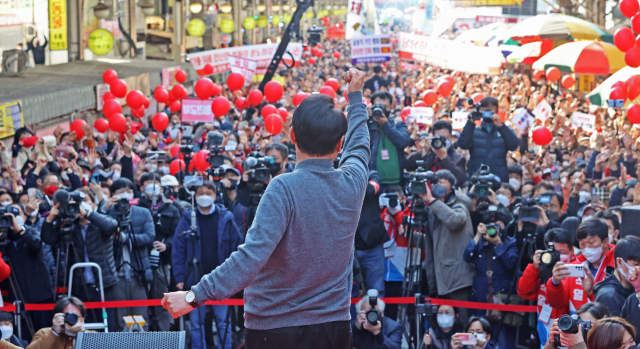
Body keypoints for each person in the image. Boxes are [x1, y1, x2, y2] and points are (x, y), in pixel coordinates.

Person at [162, 68, 370, 349]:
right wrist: (355, 97)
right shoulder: (353, 183)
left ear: (292, 136)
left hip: (274, 330)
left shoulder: (283, 188)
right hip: (334, 329)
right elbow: (360, 145)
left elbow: (250, 259)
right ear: (339, 144)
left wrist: (194, 296)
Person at [172, 180, 242, 349]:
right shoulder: (188, 218)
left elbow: (237, 246)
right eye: (201, 193)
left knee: (223, 322)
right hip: (194, 278)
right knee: (197, 323)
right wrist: (180, 277)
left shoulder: (226, 218)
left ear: (215, 196)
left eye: (208, 193)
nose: (204, 196)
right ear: (195, 197)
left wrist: (234, 276)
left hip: (222, 279)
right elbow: (178, 249)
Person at [41, 188, 119, 331]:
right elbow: (48, 239)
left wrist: (86, 213)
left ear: (93, 205)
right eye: (76, 203)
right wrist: (50, 218)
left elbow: (112, 225)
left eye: (84, 201)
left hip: (104, 284)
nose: (79, 205)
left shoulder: (99, 222)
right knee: (80, 328)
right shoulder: (68, 225)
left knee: (108, 328)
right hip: (78, 285)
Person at [420, 169, 474, 325]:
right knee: (444, 326)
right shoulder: (435, 208)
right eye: (435, 182)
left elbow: (455, 220)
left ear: (452, 187)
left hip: (458, 278)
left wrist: (432, 201)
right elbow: (433, 241)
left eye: (441, 182)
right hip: (440, 277)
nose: (437, 185)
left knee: (462, 322)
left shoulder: (460, 204)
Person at [103, 178, 155, 332]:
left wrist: (125, 238)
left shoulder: (143, 212)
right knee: (120, 320)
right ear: (113, 195)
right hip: (116, 274)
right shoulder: (109, 214)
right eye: (120, 191)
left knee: (140, 320)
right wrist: (105, 208)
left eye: (129, 191)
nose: (125, 195)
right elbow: (98, 234)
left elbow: (149, 237)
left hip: (139, 273)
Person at [517, 229, 576, 345]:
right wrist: (534, 267)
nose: (557, 256)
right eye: (554, 252)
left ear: (571, 251)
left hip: (568, 332)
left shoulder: (576, 270)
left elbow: (560, 302)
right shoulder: (543, 268)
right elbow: (524, 292)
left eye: (562, 251)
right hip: (544, 331)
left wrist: (556, 281)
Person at [137, 172, 179, 331]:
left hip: (162, 261)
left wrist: (167, 245)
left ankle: (164, 335)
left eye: (155, 183)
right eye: (147, 183)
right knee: (141, 303)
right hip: (139, 259)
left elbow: (177, 234)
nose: (152, 186)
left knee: (162, 300)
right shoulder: (136, 207)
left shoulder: (171, 208)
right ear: (141, 187)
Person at [545, 219, 615, 314]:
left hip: (608, 325)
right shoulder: (572, 267)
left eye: (591, 243)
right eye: (582, 244)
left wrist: (591, 293)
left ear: (605, 242)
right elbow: (558, 304)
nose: (586, 248)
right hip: (578, 326)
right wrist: (555, 283)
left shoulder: (618, 265)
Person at [3, 203, 53, 336]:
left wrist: (19, 230)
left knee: (46, 337)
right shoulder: (4, 239)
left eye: (16, 214)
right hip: (18, 298)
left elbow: (37, 245)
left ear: (24, 218)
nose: (12, 218)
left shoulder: (31, 231)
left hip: (41, 296)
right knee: (25, 339)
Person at [457, 97, 519, 183]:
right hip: (477, 179)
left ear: (497, 111)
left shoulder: (505, 130)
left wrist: (501, 126)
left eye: (491, 110)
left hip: (499, 180)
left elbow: (514, 146)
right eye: (485, 110)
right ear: (480, 111)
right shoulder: (474, 131)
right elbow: (463, 144)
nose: (488, 113)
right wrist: (471, 121)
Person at [354, 170, 389, 297]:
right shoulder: (337, 176)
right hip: (347, 248)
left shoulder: (372, 174)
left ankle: (378, 317)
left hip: (372, 247)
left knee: (376, 290)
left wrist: (351, 177)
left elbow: (370, 190)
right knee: (350, 293)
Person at [367, 91, 410, 187]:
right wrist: (363, 120)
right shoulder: (367, 126)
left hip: (395, 183)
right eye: (378, 106)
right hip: (372, 182)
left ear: (391, 108)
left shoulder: (399, 125)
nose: (381, 109)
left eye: (385, 106)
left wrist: (385, 124)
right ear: (372, 107)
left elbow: (403, 142)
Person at [405, 120, 467, 186]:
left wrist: (444, 158)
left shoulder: (458, 158)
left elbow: (461, 179)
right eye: (439, 138)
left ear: (451, 138)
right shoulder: (428, 154)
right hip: (425, 193)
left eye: (445, 138)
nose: (443, 141)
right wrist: (423, 152)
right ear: (433, 137)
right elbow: (408, 166)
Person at [593, 236, 640, 316]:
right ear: (620, 262)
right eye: (636, 264)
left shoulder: (633, 287)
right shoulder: (608, 296)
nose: (638, 268)